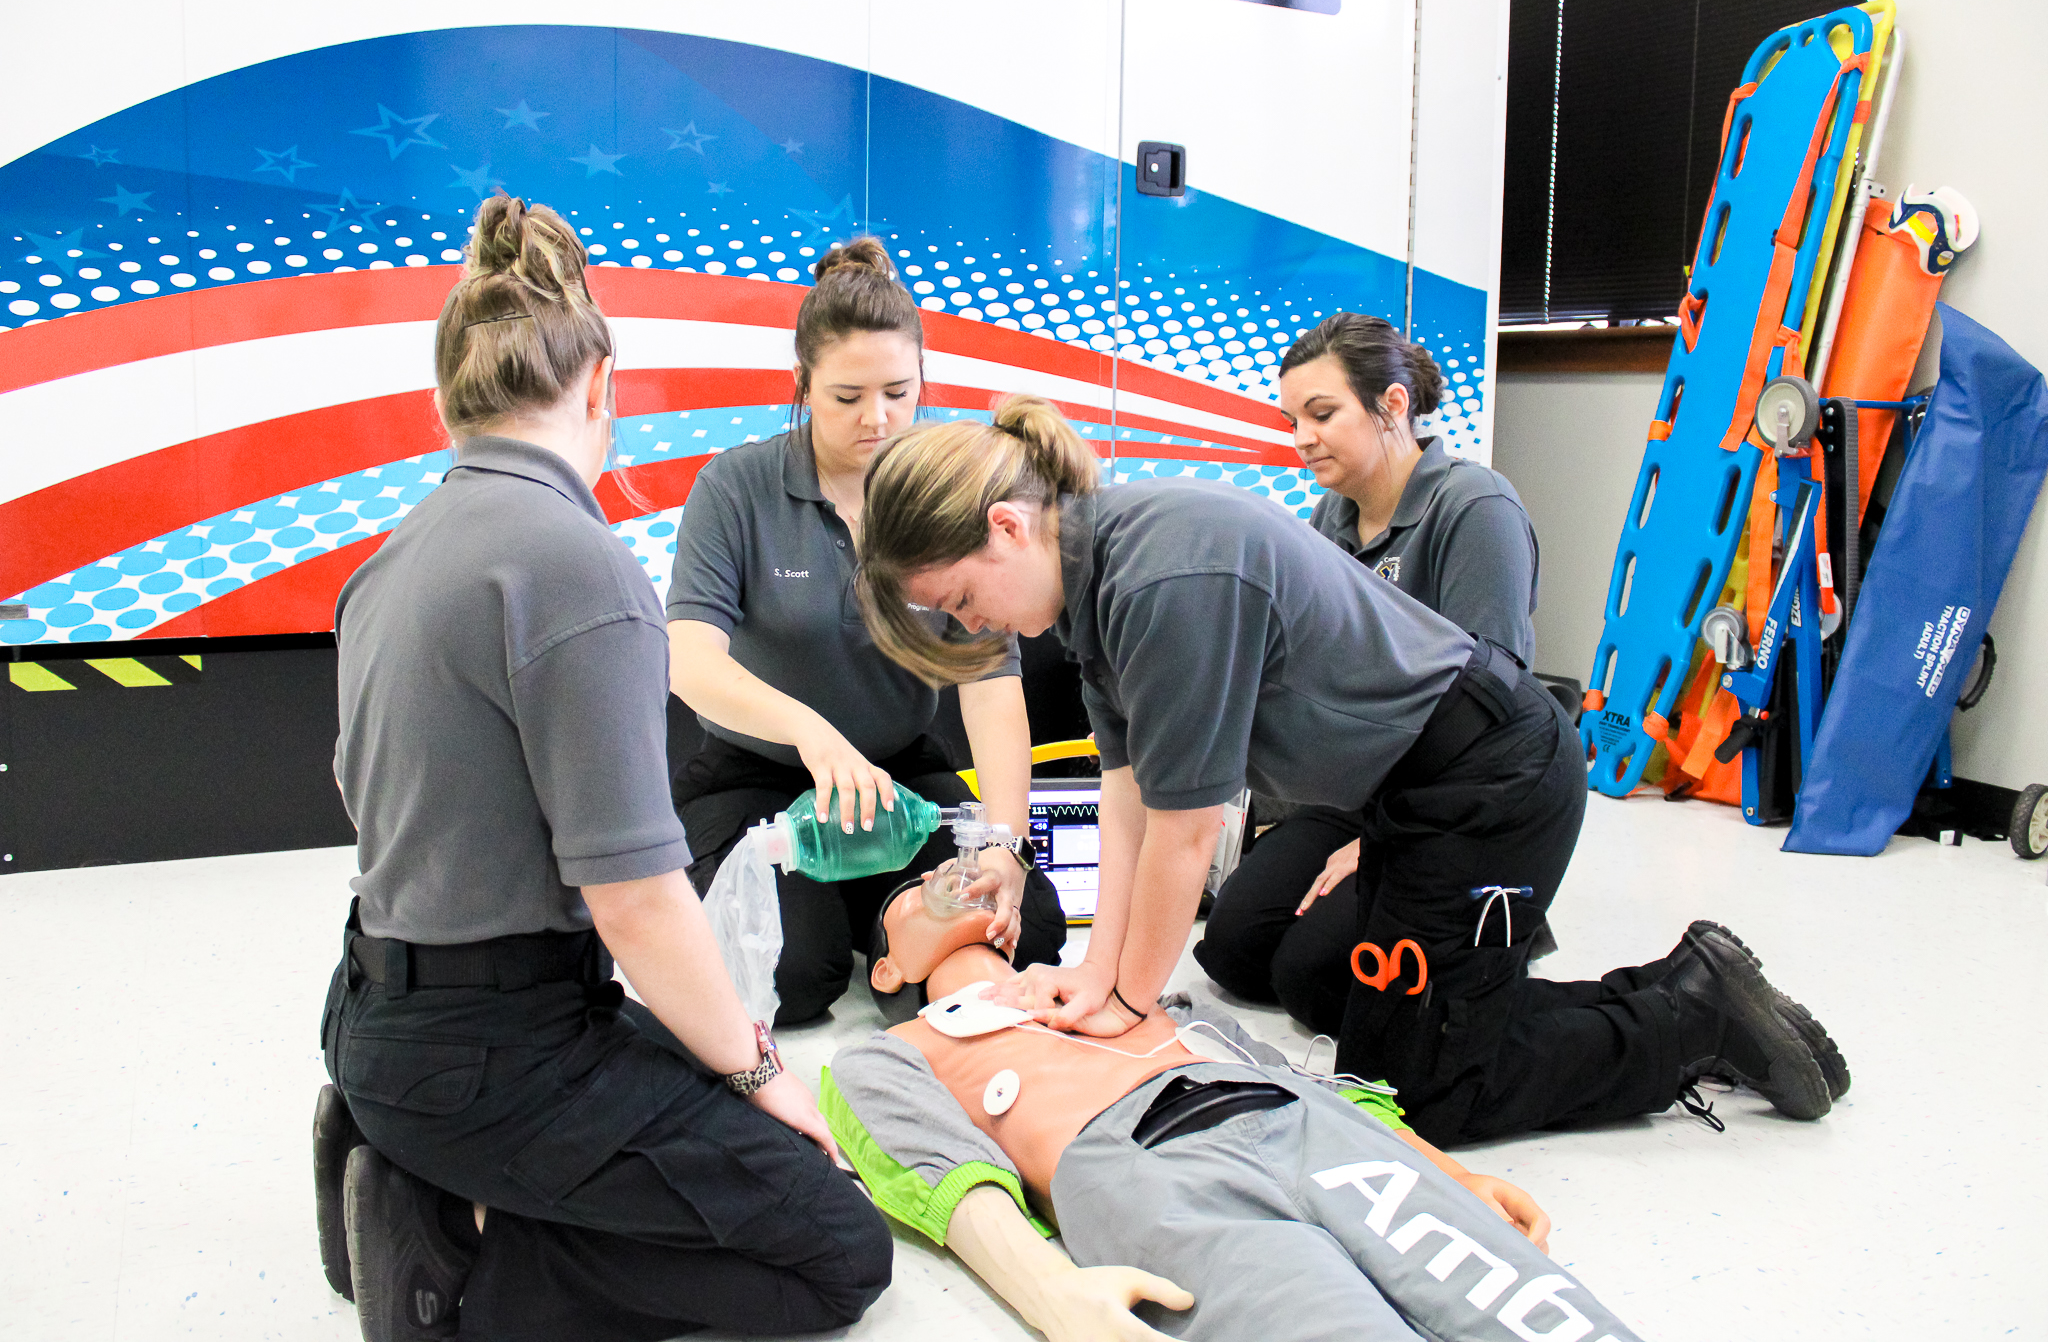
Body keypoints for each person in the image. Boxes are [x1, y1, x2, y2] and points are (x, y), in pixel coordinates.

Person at [851, 394, 1848, 1150]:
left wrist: (1130, 1004)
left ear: (1007, 527)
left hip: (1487, 774)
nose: (968, 626)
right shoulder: (1091, 592)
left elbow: (1186, 832)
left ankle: (1688, 1013)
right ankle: (1572, 1004)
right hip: (1399, 788)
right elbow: (1125, 804)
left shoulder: (1164, 574)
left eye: (958, 599)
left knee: (1417, 1097)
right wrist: (1091, 973)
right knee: (1332, 996)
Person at [315, 196, 891, 1342]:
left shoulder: (386, 566)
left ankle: (397, 1154)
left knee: (680, 1088)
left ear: (449, 402)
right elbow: (632, 899)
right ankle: (460, 1246)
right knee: (835, 1248)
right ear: (599, 389)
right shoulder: (576, 571)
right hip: (499, 1054)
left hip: (376, 1013)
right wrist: (760, 1075)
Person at [822, 876, 1649, 1342]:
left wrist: (1445, 1170)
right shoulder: (892, 1055)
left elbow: (1300, 1076)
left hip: (1296, 1117)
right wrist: (1054, 1297)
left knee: (1556, 1323)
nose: (944, 878)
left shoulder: (1130, 990)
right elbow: (952, 1186)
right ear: (887, 971)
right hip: (1147, 1171)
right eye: (914, 892)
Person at [665, 236, 1066, 1026]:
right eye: (847, 396)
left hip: (898, 781)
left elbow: (990, 684)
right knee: (793, 974)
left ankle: (876, 903)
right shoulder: (736, 489)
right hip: (757, 778)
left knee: (1031, 925)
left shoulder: (945, 487)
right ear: (802, 384)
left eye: (898, 392)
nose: (876, 419)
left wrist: (1003, 842)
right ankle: (867, 910)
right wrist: (810, 733)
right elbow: (689, 660)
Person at [1198, 314, 1543, 1039]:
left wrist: (1378, 846)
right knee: (1233, 946)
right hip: (1358, 790)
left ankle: (1488, 926)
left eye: (1321, 414)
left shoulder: (1474, 507)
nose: (1301, 437)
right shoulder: (1332, 516)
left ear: (1392, 405)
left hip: (1447, 795)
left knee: (1314, 980)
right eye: (1293, 418)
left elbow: (1495, 702)